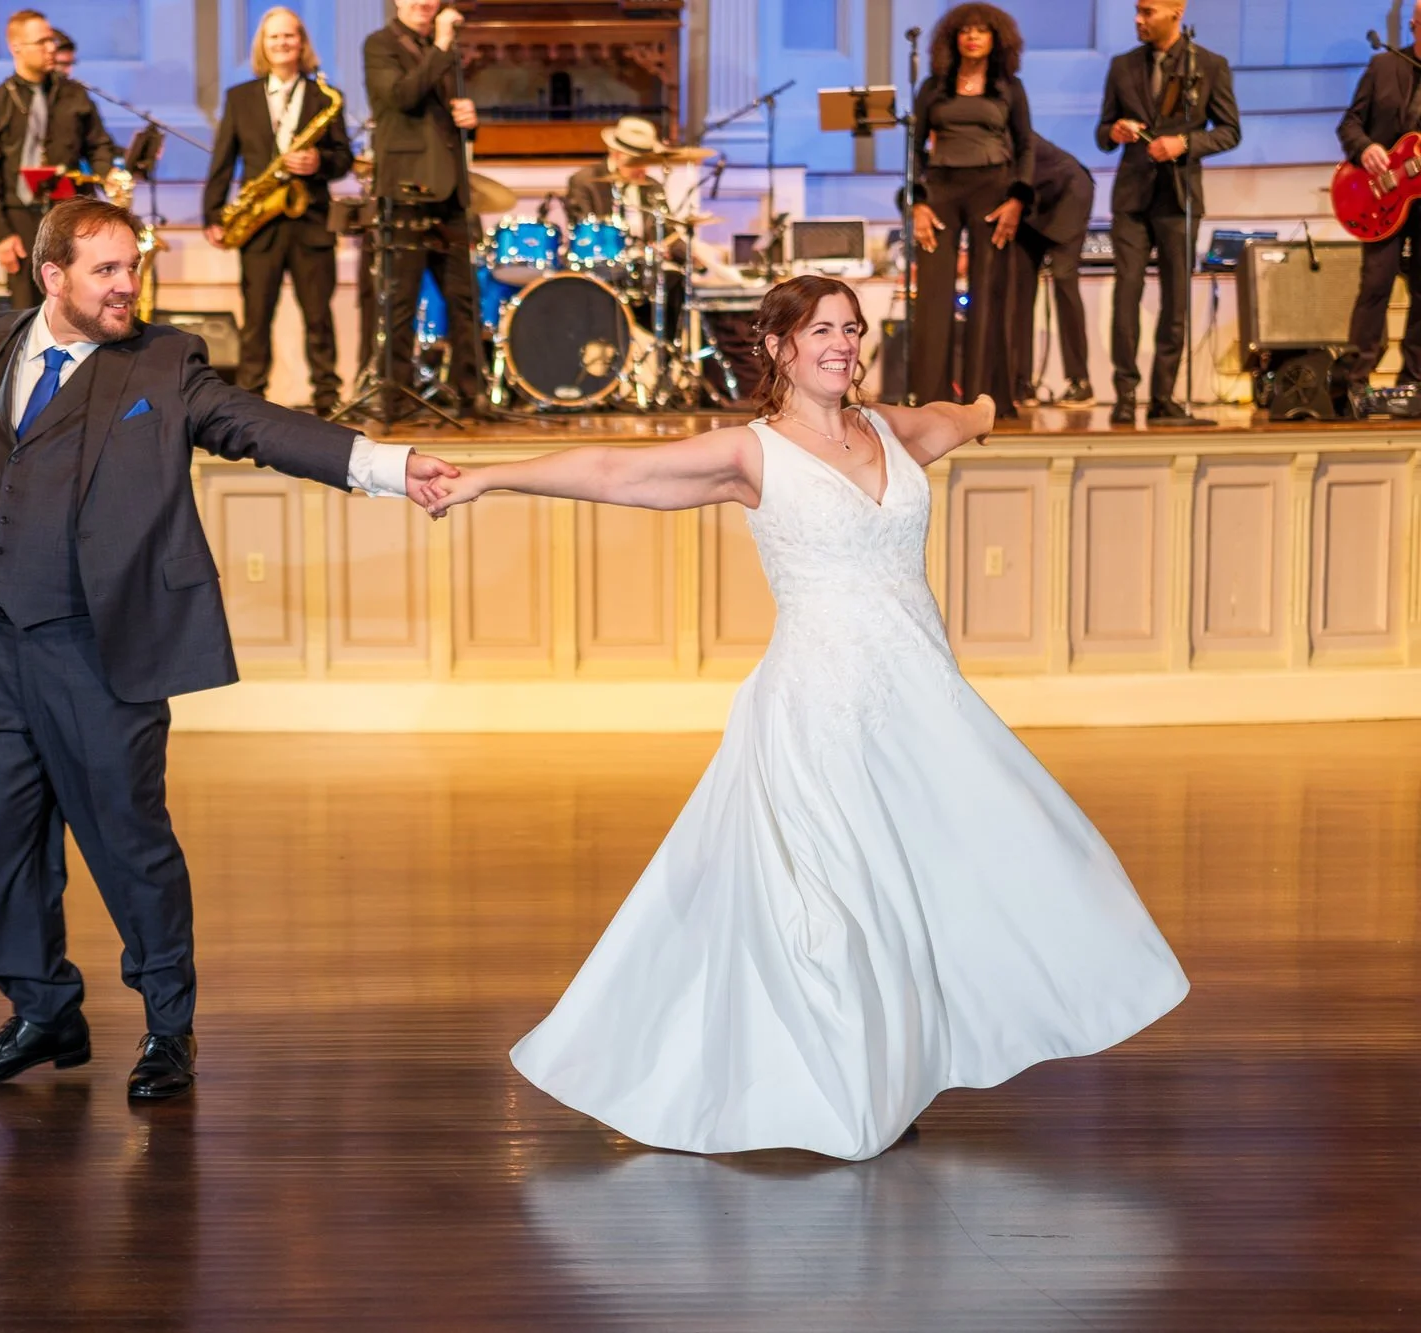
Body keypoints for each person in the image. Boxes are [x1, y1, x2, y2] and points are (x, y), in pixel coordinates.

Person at [418, 275, 1189, 1160]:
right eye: (822, 329)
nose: (843, 344)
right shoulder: (752, 454)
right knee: (839, 898)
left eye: (853, 329)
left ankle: (903, 1059)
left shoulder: (890, 431)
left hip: (922, 705)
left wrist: (984, 406)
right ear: (780, 347)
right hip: (817, 705)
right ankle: (846, 1084)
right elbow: (612, 470)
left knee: (970, 865)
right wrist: (485, 479)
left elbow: (959, 415)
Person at [0, 199, 458, 1098]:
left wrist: (387, 467)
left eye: (133, 268)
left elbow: (259, 427)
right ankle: (43, 1010)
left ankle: (168, 1027)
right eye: (107, 271)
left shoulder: (162, 361)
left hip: (98, 649)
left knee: (127, 839)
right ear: (54, 277)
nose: (129, 285)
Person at [203, 7, 355, 416]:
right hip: (259, 223)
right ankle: (251, 398)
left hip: (312, 221)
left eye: (289, 36)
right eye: (274, 38)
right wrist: (212, 215)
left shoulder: (326, 96)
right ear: (263, 46)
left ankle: (327, 396)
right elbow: (222, 161)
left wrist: (318, 163)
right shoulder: (240, 97)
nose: (282, 43)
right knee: (256, 318)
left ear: (302, 43)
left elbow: (344, 159)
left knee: (318, 316)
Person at [1096, 0, 1239, 424]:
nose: (1139, 20)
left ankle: (1163, 398)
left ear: (1177, 12)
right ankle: (1125, 395)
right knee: (1127, 293)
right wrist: (1114, 131)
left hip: (1178, 197)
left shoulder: (1209, 65)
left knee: (1176, 300)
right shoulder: (1122, 65)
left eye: (1148, 12)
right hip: (1132, 199)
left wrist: (1186, 144)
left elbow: (1230, 130)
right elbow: (1101, 134)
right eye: (1137, 12)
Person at [364, 0, 489, 419]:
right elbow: (402, 97)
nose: (425, 3)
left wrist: (469, 121)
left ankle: (471, 394)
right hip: (406, 189)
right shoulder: (379, 45)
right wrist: (441, 44)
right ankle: (395, 398)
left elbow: (441, 119)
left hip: (450, 190)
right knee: (400, 301)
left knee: (464, 298)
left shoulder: (443, 51)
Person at [909, 4, 1035, 416]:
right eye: (965, 30)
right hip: (942, 187)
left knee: (990, 292)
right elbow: (914, 152)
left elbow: (1025, 146)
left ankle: (988, 400)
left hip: (994, 189)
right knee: (932, 294)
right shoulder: (932, 86)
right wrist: (918, 204)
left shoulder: (1009, 87)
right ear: (953, 38)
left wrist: (1017, 199)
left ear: (997, 38)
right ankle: (932, 400)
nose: (973, 37)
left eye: (982, 30)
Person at [0, 9, 124, 309]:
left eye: (51, 40)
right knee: (27, 310)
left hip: (68, 215)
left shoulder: (74, 95)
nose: (51, 47)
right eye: (42, 42)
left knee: (75, 303)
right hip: (20, 217)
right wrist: (1, 234)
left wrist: (108, 173)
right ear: (17, 47)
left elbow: (99, 146)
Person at [1336, 3, 1421, 402]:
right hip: (1382, 196)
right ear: (1414, 24)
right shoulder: (1384, 66)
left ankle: (1415, 378)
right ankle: (1356, 378)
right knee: (1376, 285)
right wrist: (1365, 147)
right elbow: (1349, 124)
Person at [1006, 132, 1095, 407]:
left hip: (1067, 193)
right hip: (1029, 206)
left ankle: (1080, 382)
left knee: (1064, 278)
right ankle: (1021, 383)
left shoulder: (1000, 129)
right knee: (1020, 291)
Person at [563, 117, 662, 224]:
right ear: (617, 155)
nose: (644, 169)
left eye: (647, 162)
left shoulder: (653, 186)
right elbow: (584, 233)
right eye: (637, 163)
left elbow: (667, 232)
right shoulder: (584, 182)